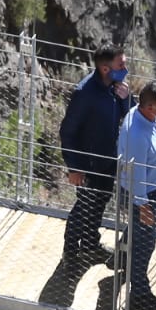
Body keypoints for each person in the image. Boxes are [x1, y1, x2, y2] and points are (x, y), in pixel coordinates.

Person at [58, 44, 135, 265]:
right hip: (88, 164)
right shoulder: (85, 93)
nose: (125, 68)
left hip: (107, 160)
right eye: (121, 64)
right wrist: (74, 167)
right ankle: (70, 255)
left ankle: (91, 245)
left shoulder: (115, 87)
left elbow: (129, 117)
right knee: (83, 207)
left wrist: (127, 99)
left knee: (99, 202)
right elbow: (68, 131)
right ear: (104, 68)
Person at [116, 80, 156, 310]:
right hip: (142, 195)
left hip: (147, 191)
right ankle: (139, 295)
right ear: (151, 107)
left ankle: (120, 258)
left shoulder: (144, 116)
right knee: (145, 244)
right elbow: (135, 175)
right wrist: (143, 205)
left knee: (137, 234)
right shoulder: (136, 134)